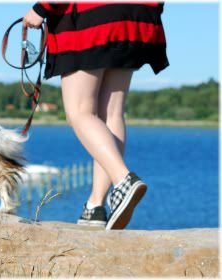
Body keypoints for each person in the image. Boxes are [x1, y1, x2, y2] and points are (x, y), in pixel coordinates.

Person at [23, 2, 169, 230]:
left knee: (79, 111)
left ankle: (123, 180)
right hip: (137, 17)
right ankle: (95, 207)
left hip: (92, 19)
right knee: (111, 112)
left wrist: (41, 8)